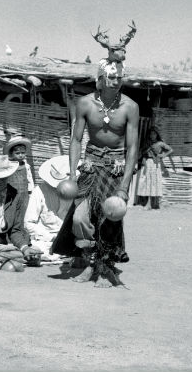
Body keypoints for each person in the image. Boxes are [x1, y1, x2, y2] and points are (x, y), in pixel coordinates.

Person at [51, 56, 139, 288]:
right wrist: (72, 174)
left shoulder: (130, 107)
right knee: (80, 217)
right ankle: (89, 260)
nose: (116, 81)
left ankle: (103, 267)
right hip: (90, 165)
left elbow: (132, 148)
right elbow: (76, 139)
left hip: (115, 168)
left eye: (119, 78)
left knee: (109, 219)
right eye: (111, 77)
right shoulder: (85, 104)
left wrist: (124, 186)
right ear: (100, 78)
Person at [24, 155, 76, 254]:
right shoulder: (39, 192)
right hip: (46, 240)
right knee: (38, 251)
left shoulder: (75, 190)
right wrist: (50, 237)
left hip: (69, 238)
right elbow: (28, 223)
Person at [136, 127, 173, 210]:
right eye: (151, 134)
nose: (152, 135)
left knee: (154, 183)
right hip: (147, 163)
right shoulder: (147, 143)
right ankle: (149, 204)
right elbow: (142, 153)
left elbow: (171, 150)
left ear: (157, 135)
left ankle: (154, 204)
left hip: (155, 164)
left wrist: (163, 155)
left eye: (154, 134)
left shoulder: (160, 143)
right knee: (148, 183)